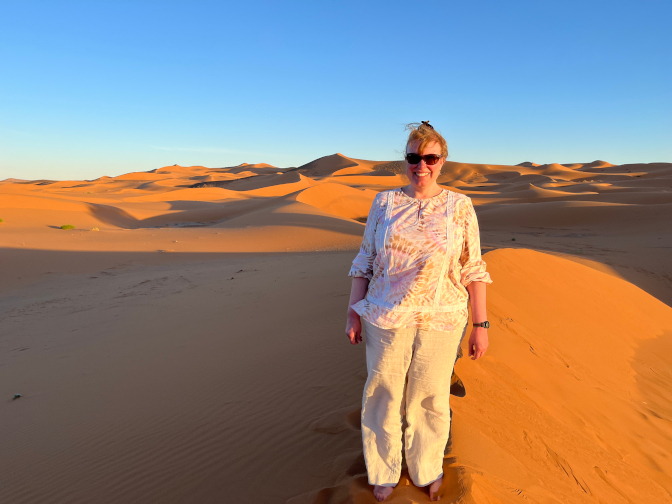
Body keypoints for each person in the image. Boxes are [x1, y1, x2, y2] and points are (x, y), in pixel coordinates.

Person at [345, 122, 492, 502]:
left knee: (429, 396)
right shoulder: (384, 202)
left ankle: (427, 468)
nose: (421, 165)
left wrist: (481, 324)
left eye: (430, 158)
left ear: (442, 161)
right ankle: (383, 470)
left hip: (442, 316)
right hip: (385, 316)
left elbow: (472, 266)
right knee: (383, 394)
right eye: (413, 157)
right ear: (405, 160)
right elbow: (366, 260)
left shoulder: (459, 206)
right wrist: (353, 311)